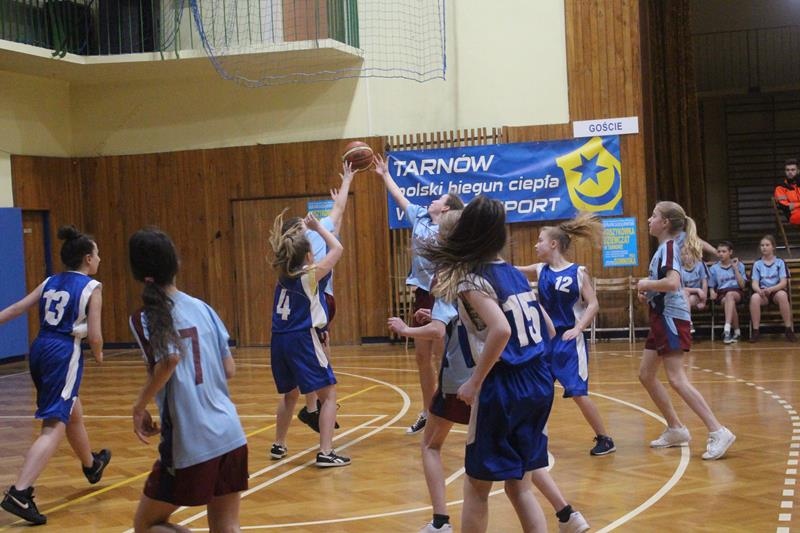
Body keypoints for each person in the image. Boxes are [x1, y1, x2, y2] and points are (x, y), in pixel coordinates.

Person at [420, 195, 571, 533]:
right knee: (520, 486)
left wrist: (474, 382)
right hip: (538, 381)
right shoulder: (515, 274)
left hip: (505, 384)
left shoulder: (473, 279)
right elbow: (548, 328)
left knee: (477, 487)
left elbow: (501, 330)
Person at [128, 227, 248, 533]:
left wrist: (139, 406)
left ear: (138, 272)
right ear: (175, 264)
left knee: (145, 526)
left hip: (191, 439)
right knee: (226, 526)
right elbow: (229, 369)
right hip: (230, 432)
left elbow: (169, 360)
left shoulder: (144, 318)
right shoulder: (203, 308)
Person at [0, 225, 109, 526]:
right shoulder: (92, 287)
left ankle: (91, 465)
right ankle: (20, 492)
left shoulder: (50, 281)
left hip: (40, 348)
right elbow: (95, 335)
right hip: (63, 352)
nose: (100, 259)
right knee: (54, 424)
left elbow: (18, 308)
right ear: (88, 259)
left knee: (71, 410)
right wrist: (99, 354)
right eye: (98, 254)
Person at [637, 201, 735, 461]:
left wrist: (646, 283)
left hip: (671, 317)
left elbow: (673, 283)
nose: (649, 220)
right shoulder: (663, 248)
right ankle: (676, 428)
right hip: (660, 315)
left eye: (653, 216)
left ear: (665, 223)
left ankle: (718, 430)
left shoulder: (669, 248)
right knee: (646, 374)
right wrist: (648, 291)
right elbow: (665, 285)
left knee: (677, 378)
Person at [374, 154, 464, 435]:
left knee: (442, 356)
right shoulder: (421, 217)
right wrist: (384, 174)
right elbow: (400, 198)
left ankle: (448, 407)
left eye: (439, 199)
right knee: (422, 357)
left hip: (444, 291)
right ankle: (427, 410)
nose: (432, 200)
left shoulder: (450, 229)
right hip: (423, 293)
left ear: (446, 207)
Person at [518, 212, 615, 457]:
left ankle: (605, 438)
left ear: (553, 244)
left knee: (577, 392)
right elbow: (512, 270)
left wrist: (578, 328)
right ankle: (529, 435)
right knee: (537, 390)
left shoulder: (577, 272)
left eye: (540, 240)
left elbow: (593, 304)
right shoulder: (540, 269)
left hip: (570, 341)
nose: (536, 245)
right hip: (545, 341)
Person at [268, 210, 350, 467]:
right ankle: (326, 452)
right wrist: (319, 228)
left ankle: (279, 444)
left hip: (278, 340)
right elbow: (337, 249)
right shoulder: (309, 275)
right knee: (329, 393)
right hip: (301, 338)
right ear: (308, 255)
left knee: (289, 394)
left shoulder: (283, 274)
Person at [297, 162, 354, 433]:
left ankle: (313, 407)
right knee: (318, 351)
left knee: (316, 350)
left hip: (317, 301)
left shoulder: (312, 237)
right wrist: (348, 180)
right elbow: (338, 212)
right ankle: (316, 406)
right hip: (314, 301)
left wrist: (346, 182)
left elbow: (338, 212)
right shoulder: (308, 242)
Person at [749, 234, 795, 343]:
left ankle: (788, 329)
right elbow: (754, 283)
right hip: (763, 292)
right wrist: (759, 290)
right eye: (762, 245)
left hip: (776, 291)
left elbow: (783, 282)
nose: (764, 247)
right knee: (754, 298)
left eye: (767, 245)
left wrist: (771, 289)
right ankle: (755, 331)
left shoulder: (780, 262)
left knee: (783, 295)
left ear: (773, 247)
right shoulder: (757, 264)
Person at [707, 241, 747, 344]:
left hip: (736, 291)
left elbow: (742, 285)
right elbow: (711, 285)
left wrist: (735, 269)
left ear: (730, 252)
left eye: (724, 251)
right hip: (722, 293)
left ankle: (727, 329)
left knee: (730, 295)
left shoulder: (739, 265)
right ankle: (737, 332)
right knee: (729, 302)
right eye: (719, 251)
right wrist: (711, 291)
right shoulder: (714, 268)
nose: (721, 254)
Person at [680, 244, 709, 334]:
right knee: (684, 294)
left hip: (698, 296)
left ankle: (687, 323)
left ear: (693, 255)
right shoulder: (680, 269)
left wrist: (704, 301)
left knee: (687, 300)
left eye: (687, 254)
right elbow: (681, 288)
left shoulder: (700, 265)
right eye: (682, 254)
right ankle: (689, 322)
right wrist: (697, 290)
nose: (685, 256)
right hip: (686, 294)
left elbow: (704, 283)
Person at [774, 158, 800, 224]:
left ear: (798, 171)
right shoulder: (780, 188)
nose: (790, 172)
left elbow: (791, 205)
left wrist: (794, 205)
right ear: (785, 172)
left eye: (793, 170)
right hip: (794, 216)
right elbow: (785, 206)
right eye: (787, 170)